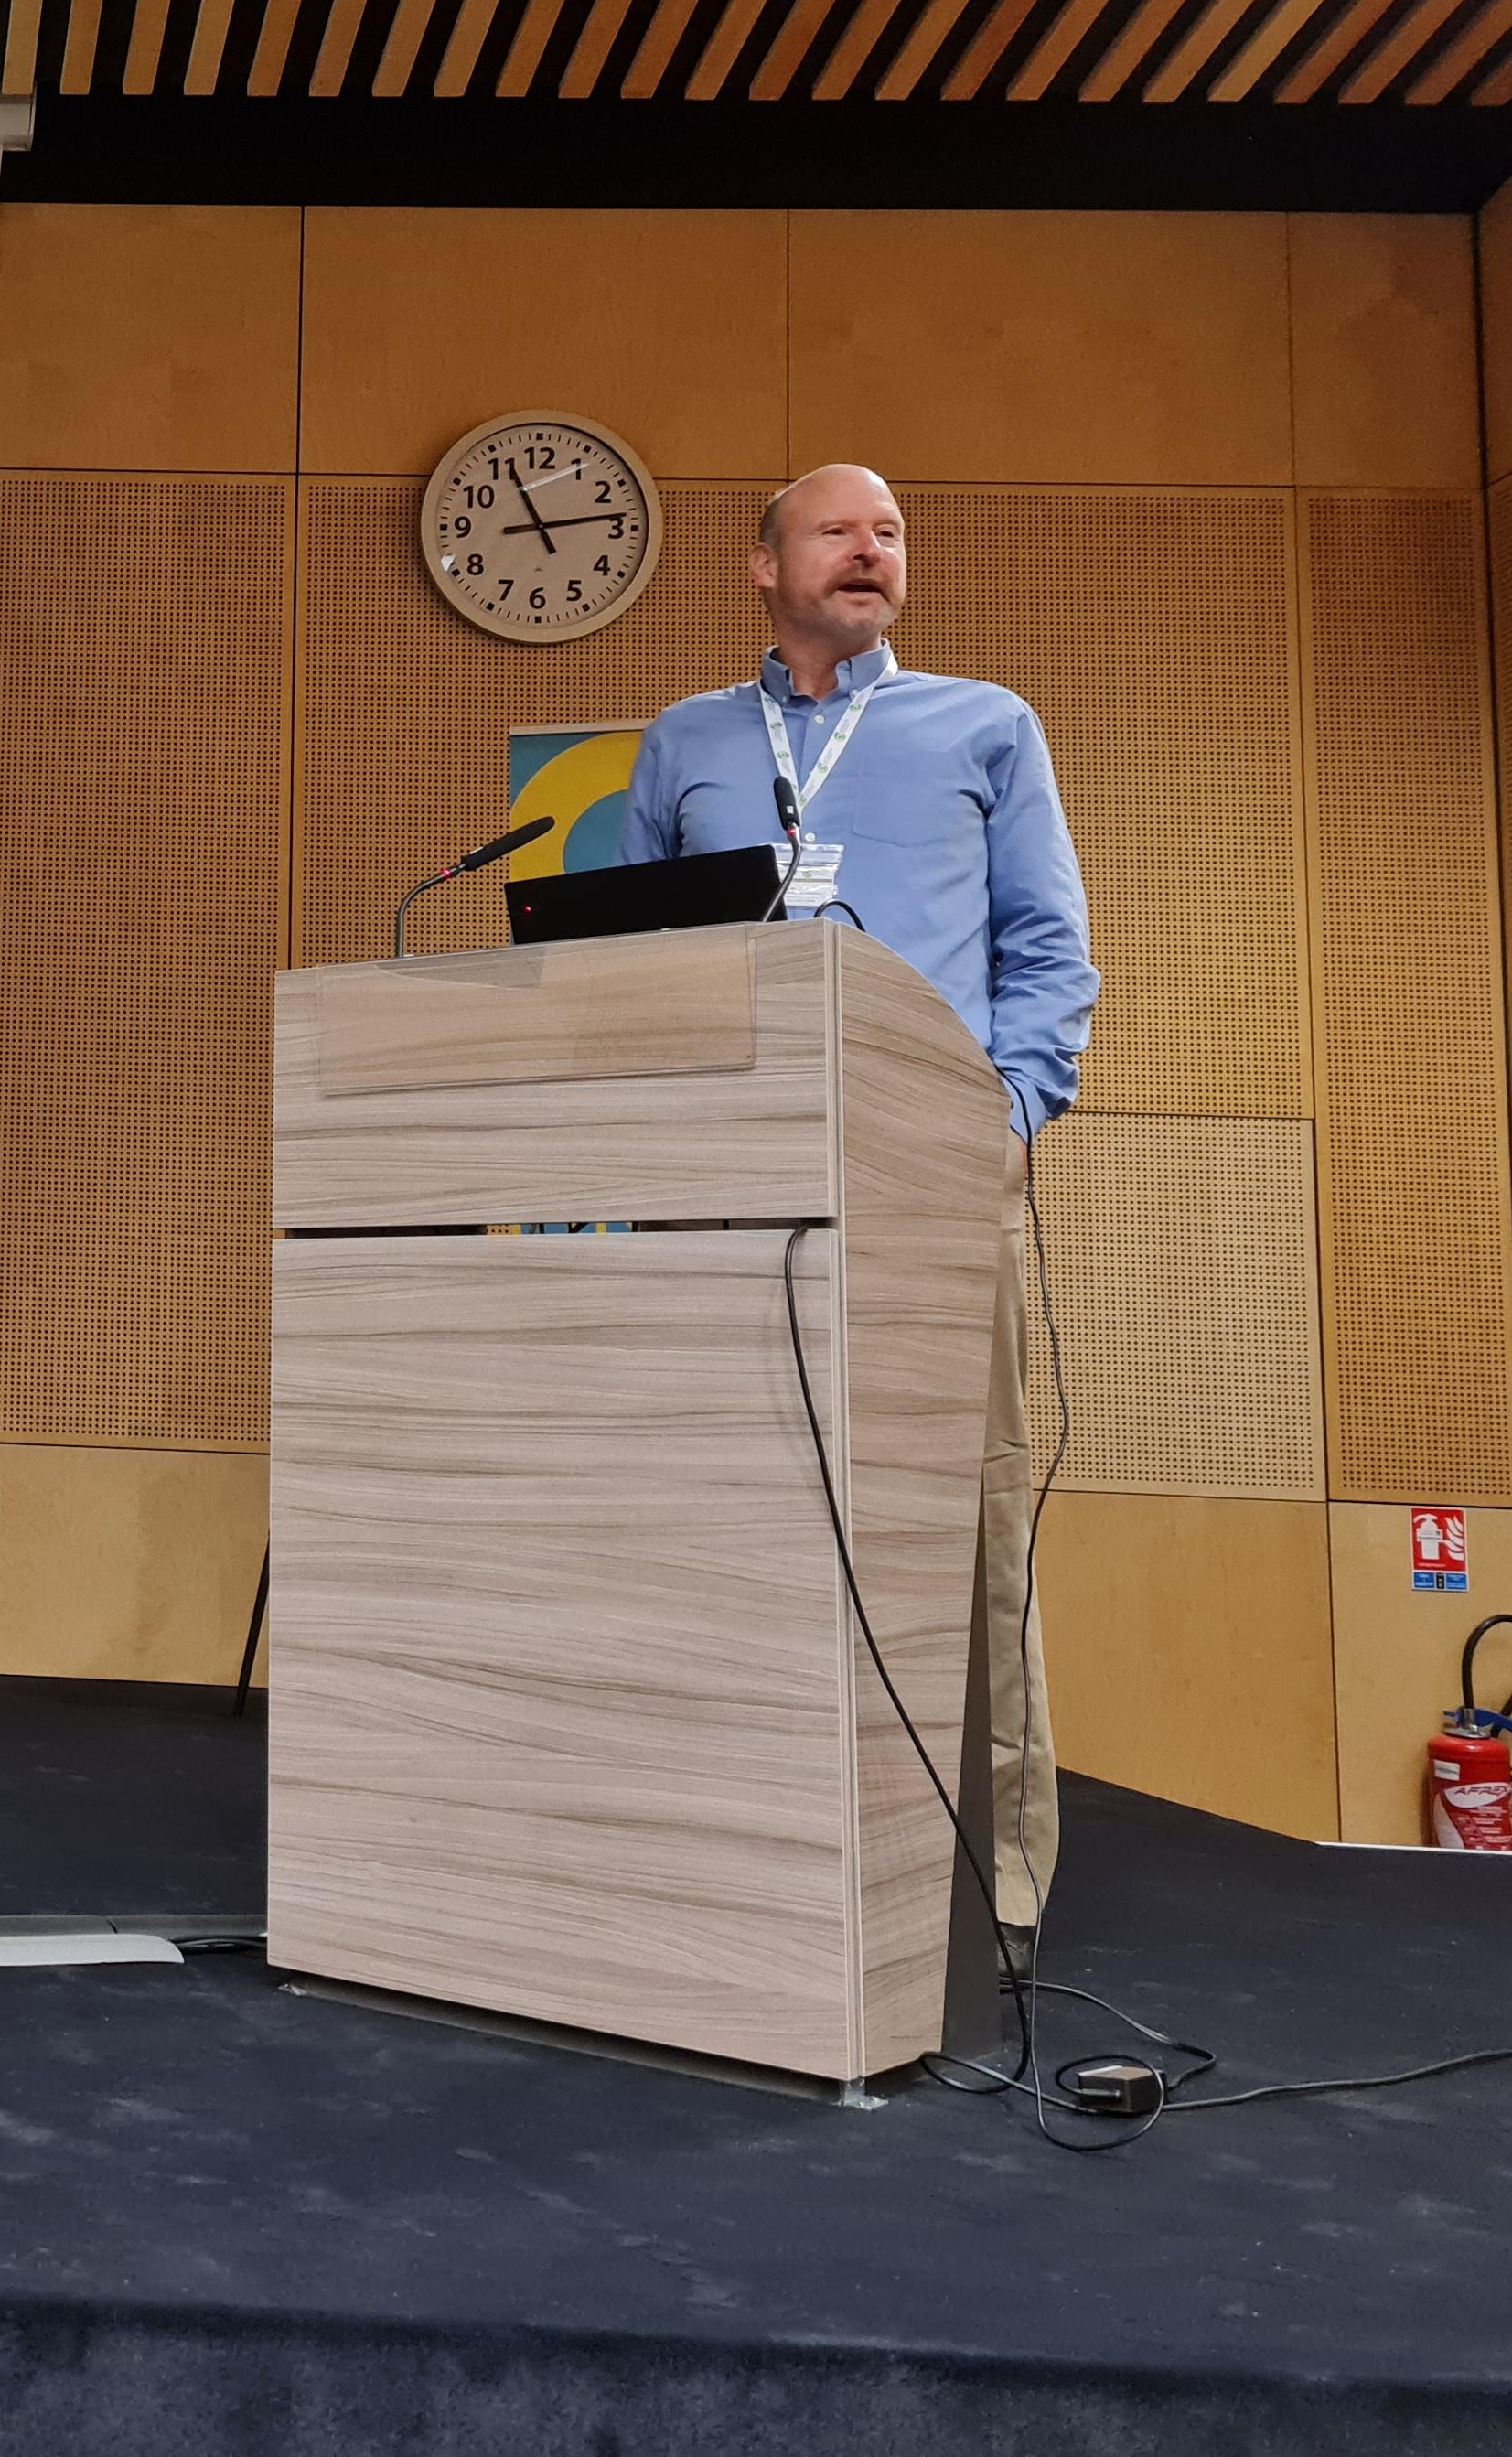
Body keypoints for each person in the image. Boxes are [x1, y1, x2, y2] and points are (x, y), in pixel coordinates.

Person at [619, 463, 1097, 1952]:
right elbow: (633, 962)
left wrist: (1005, 1119)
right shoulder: (686, 741)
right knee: (732, 1515)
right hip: (735, 1188)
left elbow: (1048, 948)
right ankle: (736, 1834)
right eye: (837, 529)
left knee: (972, 1525)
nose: (870, 549)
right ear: (764, 567)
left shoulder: (984, 724)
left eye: (888, 531)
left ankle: (995, 1887)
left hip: (931, 1180)